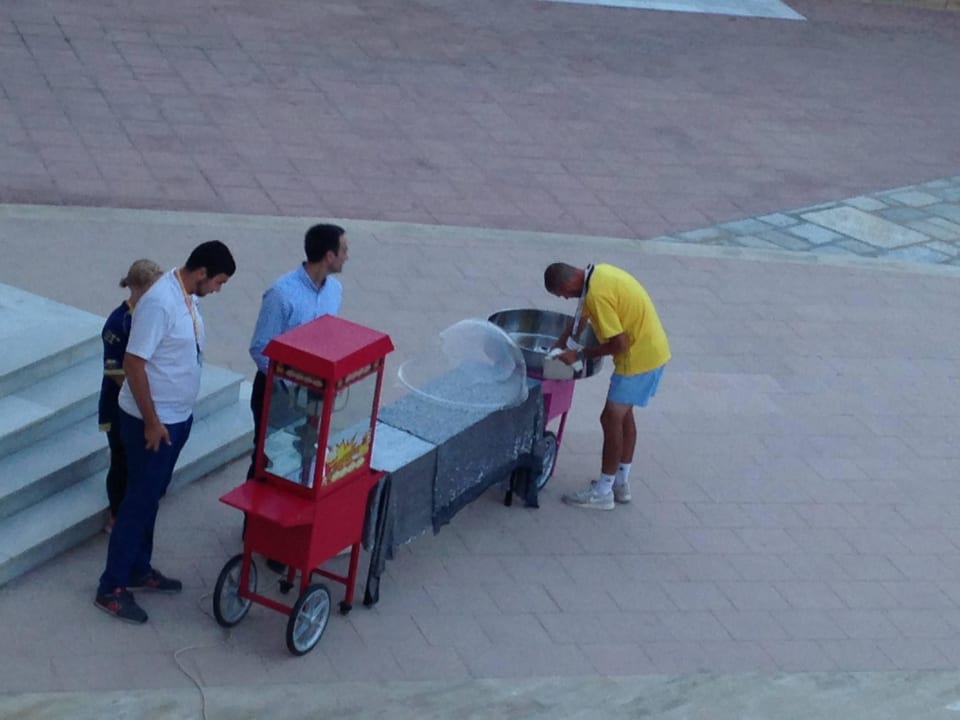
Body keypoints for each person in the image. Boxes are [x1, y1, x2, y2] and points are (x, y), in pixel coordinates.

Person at [94, 241, 236, 624]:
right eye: (219, 282)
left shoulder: (186, 295)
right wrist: (153, 422)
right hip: (151, 423)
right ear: (202, 272)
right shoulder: (161, 302)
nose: (219, 290)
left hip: (175, 418)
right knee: (138, 502)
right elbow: (134, 364)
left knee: (151, 496)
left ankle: (139, 568)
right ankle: (111, 587)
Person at [543, 262, 670, 511]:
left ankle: (602, 492)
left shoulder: (597, 294)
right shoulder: (596, 275)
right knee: (624, 418)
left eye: (563, 294)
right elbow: (579, 320)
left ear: (568, 284)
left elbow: (619, 343)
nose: (566, 298)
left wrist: (579, 356)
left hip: (637, 361)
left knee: (610, 419)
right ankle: (620, 483)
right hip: (654, 352)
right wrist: (557, 348)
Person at [247, 223, 349, 479]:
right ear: (329, 255)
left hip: (314, 390)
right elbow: (260, 347)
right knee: (268, 457)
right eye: (344, 250)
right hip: (277, 392)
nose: (347, 256)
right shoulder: (281, 294)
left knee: (305, 452)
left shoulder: (334, 290)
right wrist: (289, 385)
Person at [99, 259, 163, 532]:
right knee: (121, 458)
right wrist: (141, 393)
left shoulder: (152, 314)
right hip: (120, 403)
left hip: (143, 399)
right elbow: (115, 371)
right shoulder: (118, 323)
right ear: (137, 287)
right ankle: (115, 513)